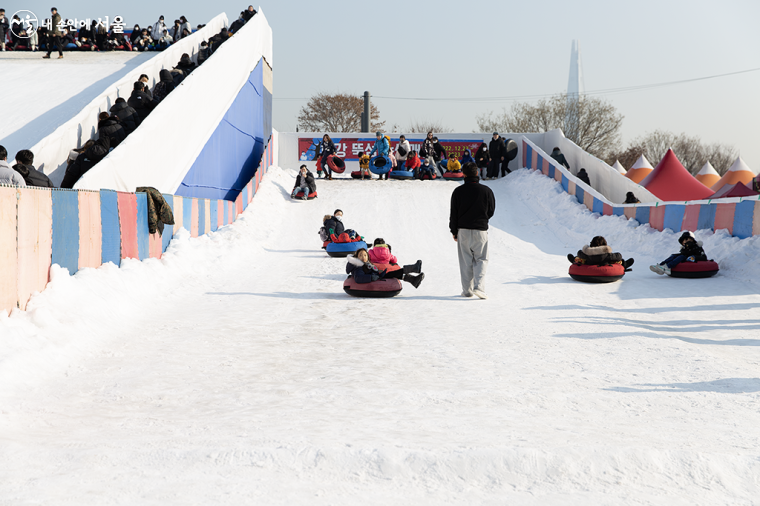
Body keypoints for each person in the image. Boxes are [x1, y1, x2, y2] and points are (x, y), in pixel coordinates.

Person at [450, 162, 495, 299]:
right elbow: (491, 210)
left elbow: (454, 213)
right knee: (481, 259)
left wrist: (454, 231)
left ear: (463, 174)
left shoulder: (458, 191)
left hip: (463, 230)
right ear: (477, 173)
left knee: (465, 261)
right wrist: (482, 219)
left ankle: (467, 291)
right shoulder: (486, 191)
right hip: (480, 230)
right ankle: (479, 288)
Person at [346, 248, 424, 289]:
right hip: (374, 279)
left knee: (392, 273)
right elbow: (358, 278)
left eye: (365, 255)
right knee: (393, 273)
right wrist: (371, 277)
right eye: (361, 255)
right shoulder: (358, 266)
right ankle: (413, 269)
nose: (363, 257)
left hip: (377, 277)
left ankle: (413, 279)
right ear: (357, 257)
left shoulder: (367, 265)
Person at [567, 236, 633, 269]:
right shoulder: (608, 255)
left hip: (589, 264)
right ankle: (625, 264)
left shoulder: (586, 253)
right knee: (617, 261)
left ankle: (574, 260)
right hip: (604, 266)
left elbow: (579, 253)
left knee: (580, 259)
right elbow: (619, 256)